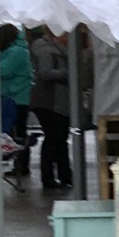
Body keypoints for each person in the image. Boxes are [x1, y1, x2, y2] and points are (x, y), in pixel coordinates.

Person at [28, 28, 73, 192]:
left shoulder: (54, 49)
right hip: (51, 101)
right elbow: (45, 73)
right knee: (55, 138)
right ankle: (51, 176)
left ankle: (64, 175)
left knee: (58, 138)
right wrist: (69, 72)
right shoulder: (47, 50)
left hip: (54, 101)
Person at [0, 23, 33, 188]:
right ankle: (19, 164)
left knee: (17, 133)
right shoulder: (13, 51)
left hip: (16, 98)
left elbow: (3, 70)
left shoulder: (16, 52)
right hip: (13, 96)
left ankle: (22, 165)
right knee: (15, 132)